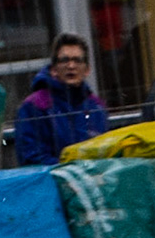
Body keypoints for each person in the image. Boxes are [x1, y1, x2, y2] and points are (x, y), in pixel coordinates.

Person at [14, 34, 108, 165]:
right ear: (54, 69)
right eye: (64, 60)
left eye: (77, 60)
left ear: (87, 70)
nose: (71, 66)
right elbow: (31, 157)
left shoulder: (96, 106)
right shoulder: (35, 106)